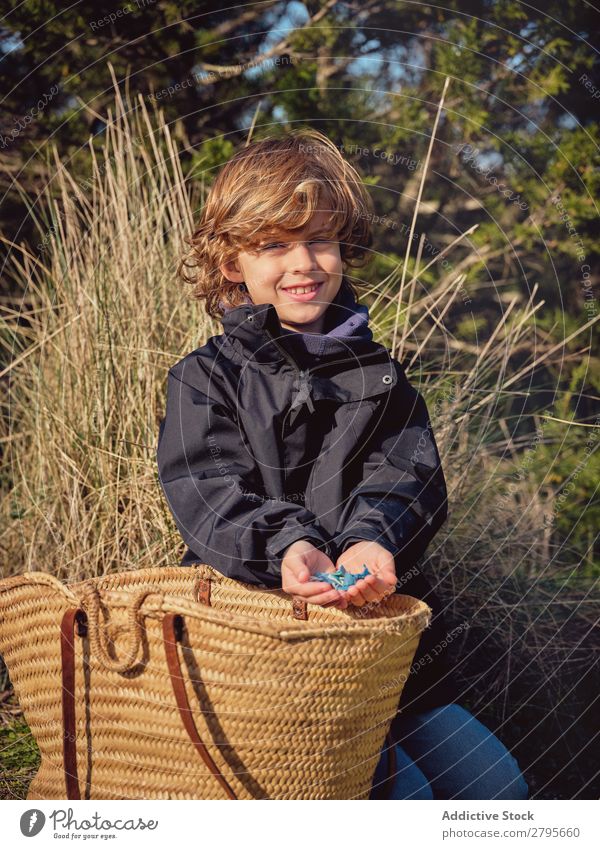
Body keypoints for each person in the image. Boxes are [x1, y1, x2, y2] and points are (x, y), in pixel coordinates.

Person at [156, 128, 528, 800]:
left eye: (319, 240)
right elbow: (207, 489)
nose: (302, 262)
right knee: (402, 799)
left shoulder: (381, 374)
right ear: (233, 261)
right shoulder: (203, 379)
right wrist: (288, 546)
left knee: (497, 785)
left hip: (378, 645)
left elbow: (409, 474)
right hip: (268, 651)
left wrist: (374, 537)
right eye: (274, 244)